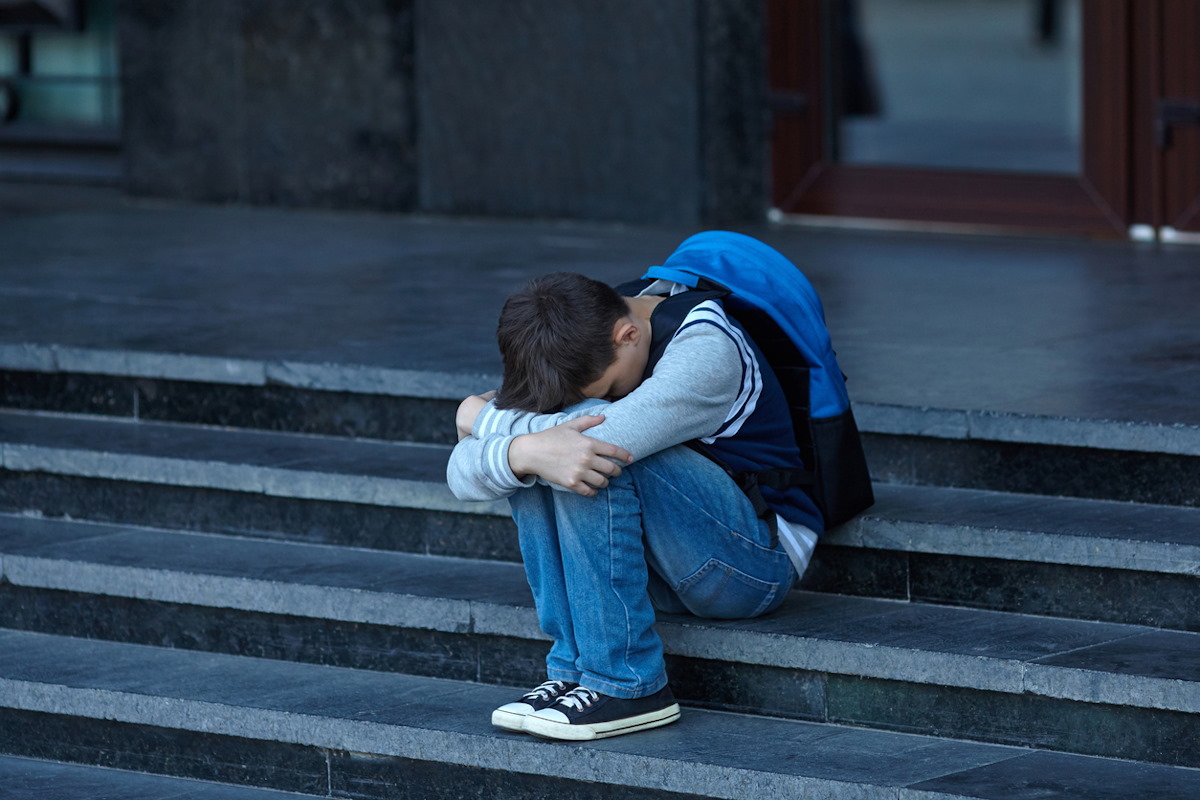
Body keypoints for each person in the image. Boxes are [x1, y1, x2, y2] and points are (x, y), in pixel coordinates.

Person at [446, 267, 823, 741]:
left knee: (587, 450)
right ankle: (573, 672)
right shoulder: (578, 338)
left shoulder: (706, 346)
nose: (609, 396)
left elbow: (593, 441)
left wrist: (481, 420)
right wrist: (519, 451)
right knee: (547, 454)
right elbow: (460, 477)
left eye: (608, 389)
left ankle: (628, 682)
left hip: (751, 566)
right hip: (656, 567)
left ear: (628, 335)